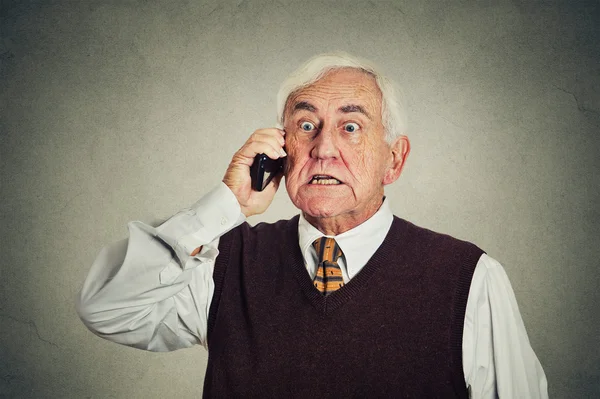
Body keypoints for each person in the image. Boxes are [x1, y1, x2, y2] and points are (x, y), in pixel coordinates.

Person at [76, 52, 548, 398]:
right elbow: (107, 309)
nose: (323, 148)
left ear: (394, 159)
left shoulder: (468, 277)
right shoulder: (225, 261)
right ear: (281, 150)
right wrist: (224, 204)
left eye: (350, 126)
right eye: (305, 126)